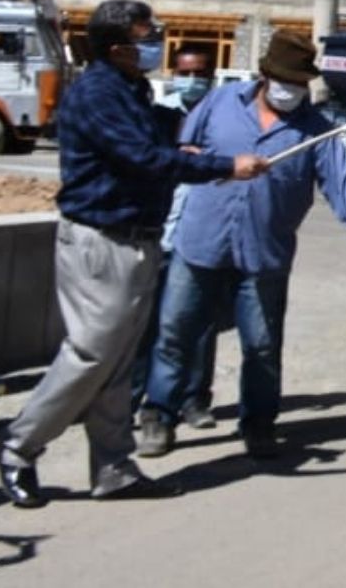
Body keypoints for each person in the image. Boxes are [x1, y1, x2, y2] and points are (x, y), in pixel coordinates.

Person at [0, 0, 268, 508]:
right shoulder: (99, 93)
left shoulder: (132, 89)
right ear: (118, 47)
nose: (155, 44)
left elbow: (153, 141)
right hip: (102, 241)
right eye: (147, 36)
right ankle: (19, 444)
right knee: (91, 352)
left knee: (119, 362)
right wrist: (224, 166)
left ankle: (113, 468)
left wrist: (187, 146)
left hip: (138, 237)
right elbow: (142, 159)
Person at [138, 28, 346, 460]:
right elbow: (182, 151)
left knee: (262, 345)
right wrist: (196, 160)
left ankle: (259, 423)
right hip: (200, 242)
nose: (289, 90)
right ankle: (159, 415)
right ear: (264, 75)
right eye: (283, 81)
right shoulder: (219, 104)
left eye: (298, 84)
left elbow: (341, 182)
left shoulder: (315, 131)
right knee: (175, 333)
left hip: (263, 254)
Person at [130, 45, 224, 429]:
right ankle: (136, 398)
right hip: (161, 233)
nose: (192, 80)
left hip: (201, 235)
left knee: (199, 325)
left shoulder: (220, 114)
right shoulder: (159, 116)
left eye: (200, 72)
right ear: (174, 72)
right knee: (148, 326)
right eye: (185, 72)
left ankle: (194, 399)